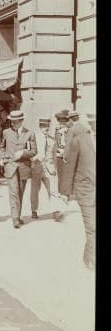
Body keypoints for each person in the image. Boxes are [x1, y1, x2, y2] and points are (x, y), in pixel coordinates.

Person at [60, 110, 96, 270]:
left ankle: (87, 255)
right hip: (85, 187)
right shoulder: (79, 139)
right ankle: (92, 261)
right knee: (92, 226)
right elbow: (70, 164)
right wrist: (67, 192)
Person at [0, 109, 37, 229]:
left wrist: (22, 153)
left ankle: (18, 216)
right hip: (10, 166)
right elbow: (2, 147)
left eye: (15, 121)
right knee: (13, 192)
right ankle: (15, 218)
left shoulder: (29, 134)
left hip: (23, 167)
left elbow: (34, 151)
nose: (12, 124)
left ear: (21, 121)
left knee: (20, 192)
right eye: (11, 121)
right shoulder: (6, 132)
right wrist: (2, 158)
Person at [30, 117, 64, 222]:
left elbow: (54, 154)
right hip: (37, 166)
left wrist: (54, 166)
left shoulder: (52, 139)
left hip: (49, 167)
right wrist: (33, 160)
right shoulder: (33, 137)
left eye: (47, 127)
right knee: (35, 190)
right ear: (40, 127)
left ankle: (55, 211)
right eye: (44, 127)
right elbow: (29, 152)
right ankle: (34, 210)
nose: (46, 129)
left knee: (53, 190)